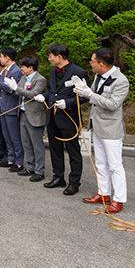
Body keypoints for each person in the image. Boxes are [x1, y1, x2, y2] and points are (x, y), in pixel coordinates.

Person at [73, 48, 129, 213]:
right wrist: (83, 90)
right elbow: (95, 97)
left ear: (101, 64)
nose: (90, 65)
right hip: (96, 125)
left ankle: (118, 199)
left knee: (115, 165)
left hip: (111, 128)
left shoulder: (121, 80)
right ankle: (103, 193)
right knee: (100, 163)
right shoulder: (98, 76)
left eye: (92, 62)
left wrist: (90, 94)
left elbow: (113, 105)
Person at [34, 43, 90, 196]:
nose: (48, 58)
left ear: (59, 56)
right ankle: (58, 177)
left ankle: (74, 182)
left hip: (69, 117)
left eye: (50, 55)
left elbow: (85, 95)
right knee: (55, 150)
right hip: (52, 116)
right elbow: (52, 91)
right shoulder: (53, 71)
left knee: (73, 152)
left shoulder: (79, 72)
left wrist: (69, 103)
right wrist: (43, 96)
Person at [4, 56, 47, 182]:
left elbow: (32, 94)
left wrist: (16, 89)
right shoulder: (23, 78)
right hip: (22, 113)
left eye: (23, 66)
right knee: (26, 143)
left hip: (34, 115)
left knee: (37, 145)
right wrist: (12, 88)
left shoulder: (40, 79)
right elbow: (18, 92)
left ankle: (40, 171)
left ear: (30, 67)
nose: (21, 69)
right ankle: (30, 166)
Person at [0, 47, 23, 172]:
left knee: (14, 137)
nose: (0, 58)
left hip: (12, 108)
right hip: (3, 107)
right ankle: (11, 159)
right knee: (6, 136)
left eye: (1, 56)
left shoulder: (16, 71)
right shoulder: (7, 70)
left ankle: (19, 162)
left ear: (7, 58)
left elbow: (11, 89)